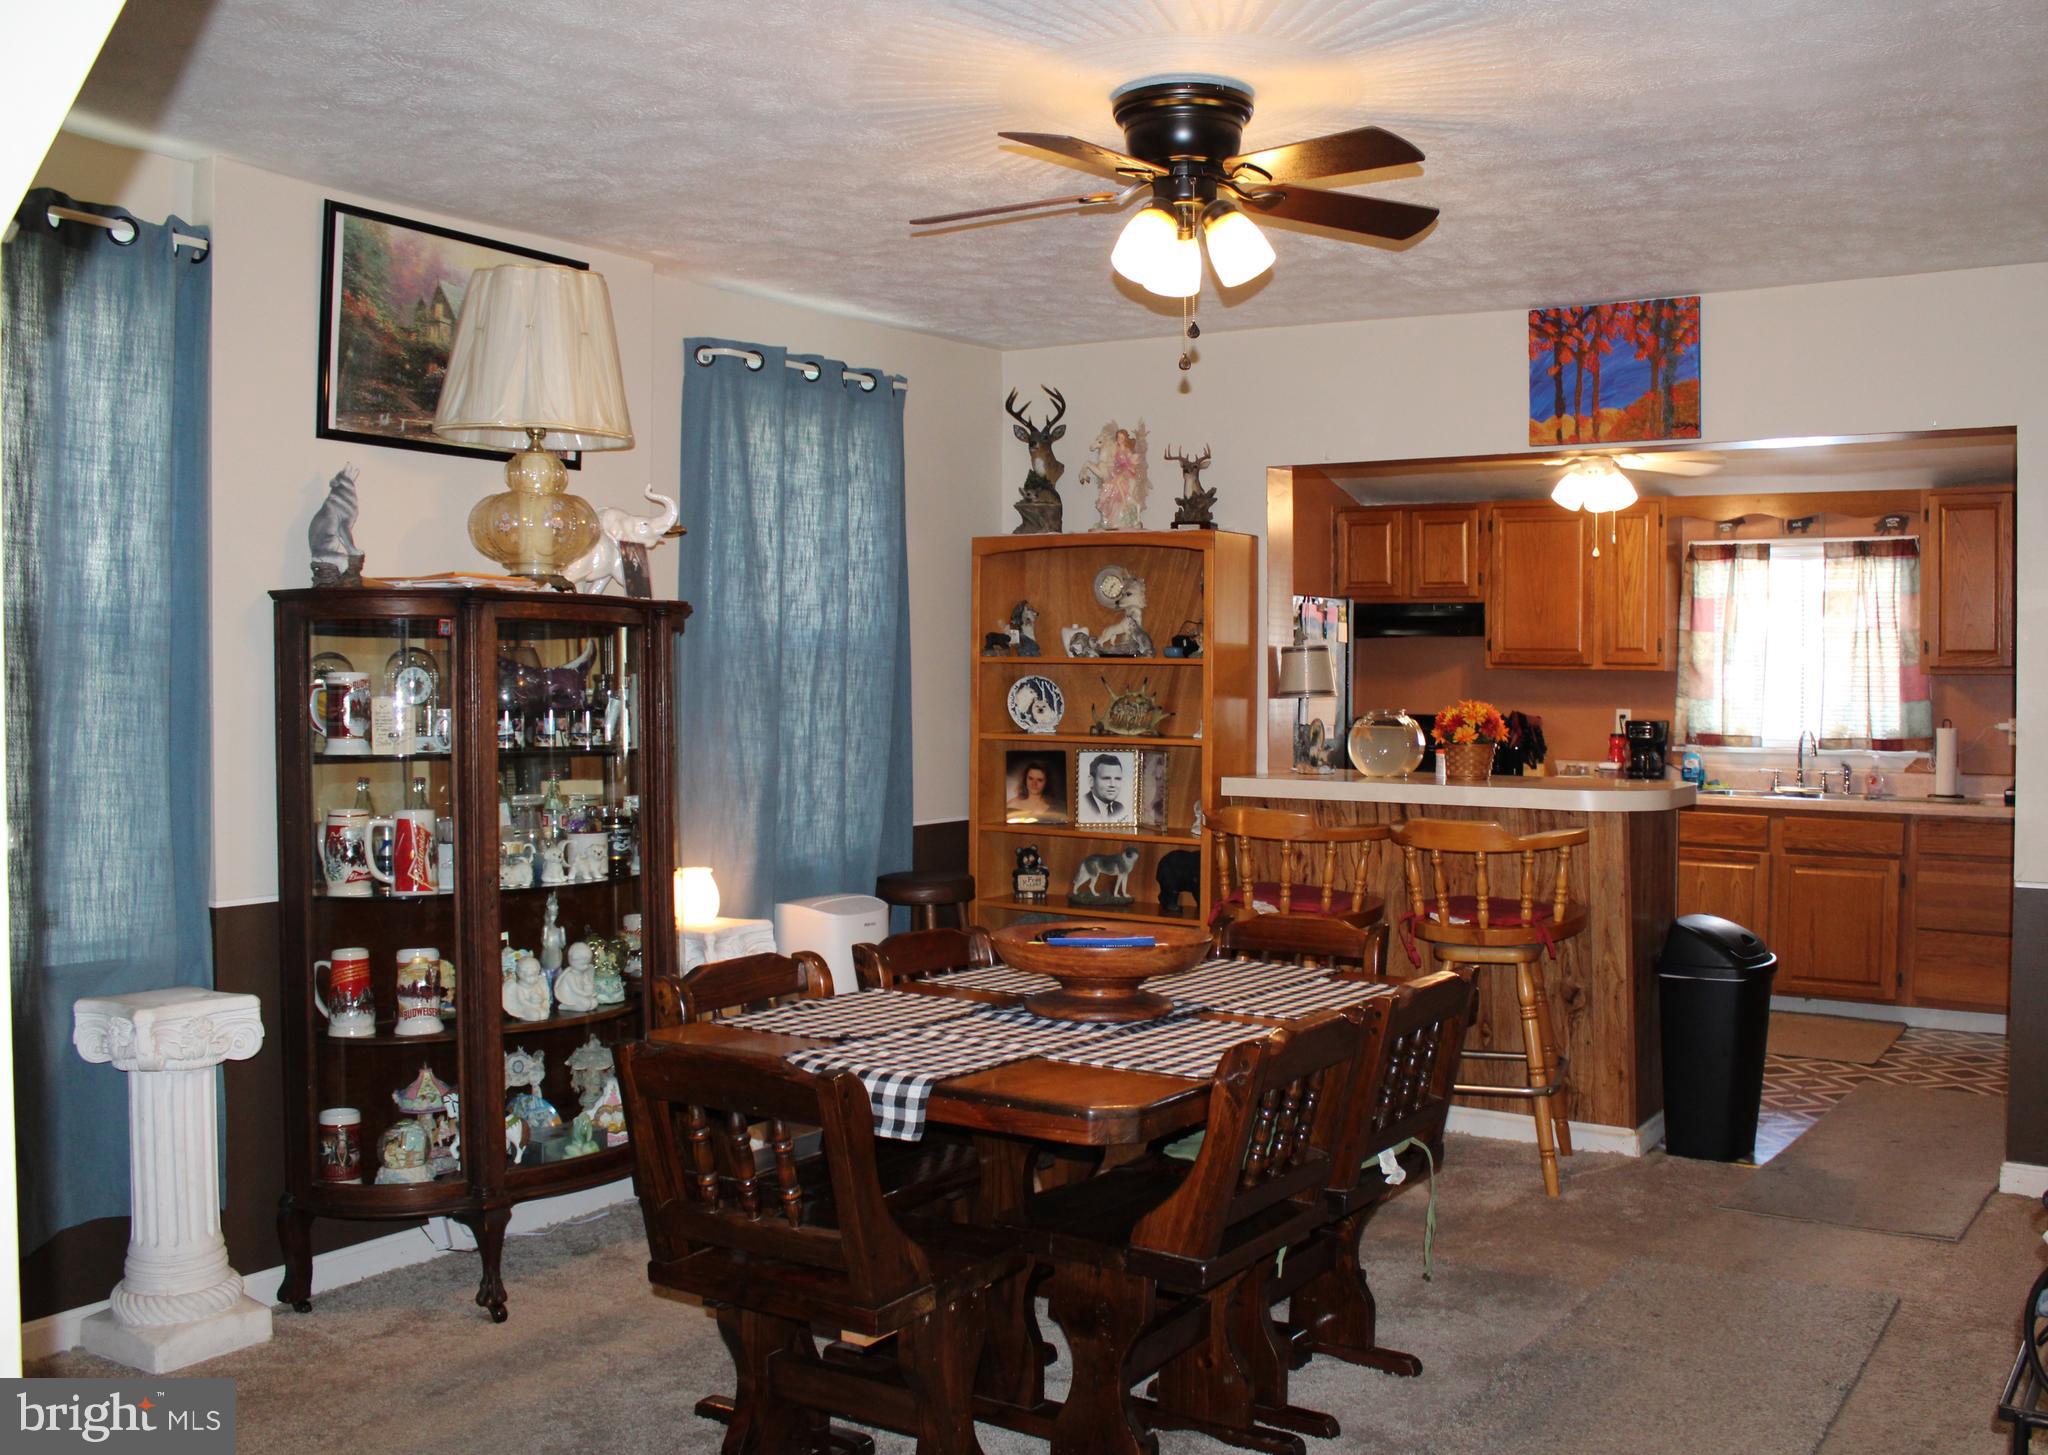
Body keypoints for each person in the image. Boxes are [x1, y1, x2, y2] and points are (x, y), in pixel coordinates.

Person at [1079, 754, 1127, 822]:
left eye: (1117, 779)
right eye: (1106, 778)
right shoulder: (1082, 806)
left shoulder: (1119, 808)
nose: (1112, 784)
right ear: (1091, 781)